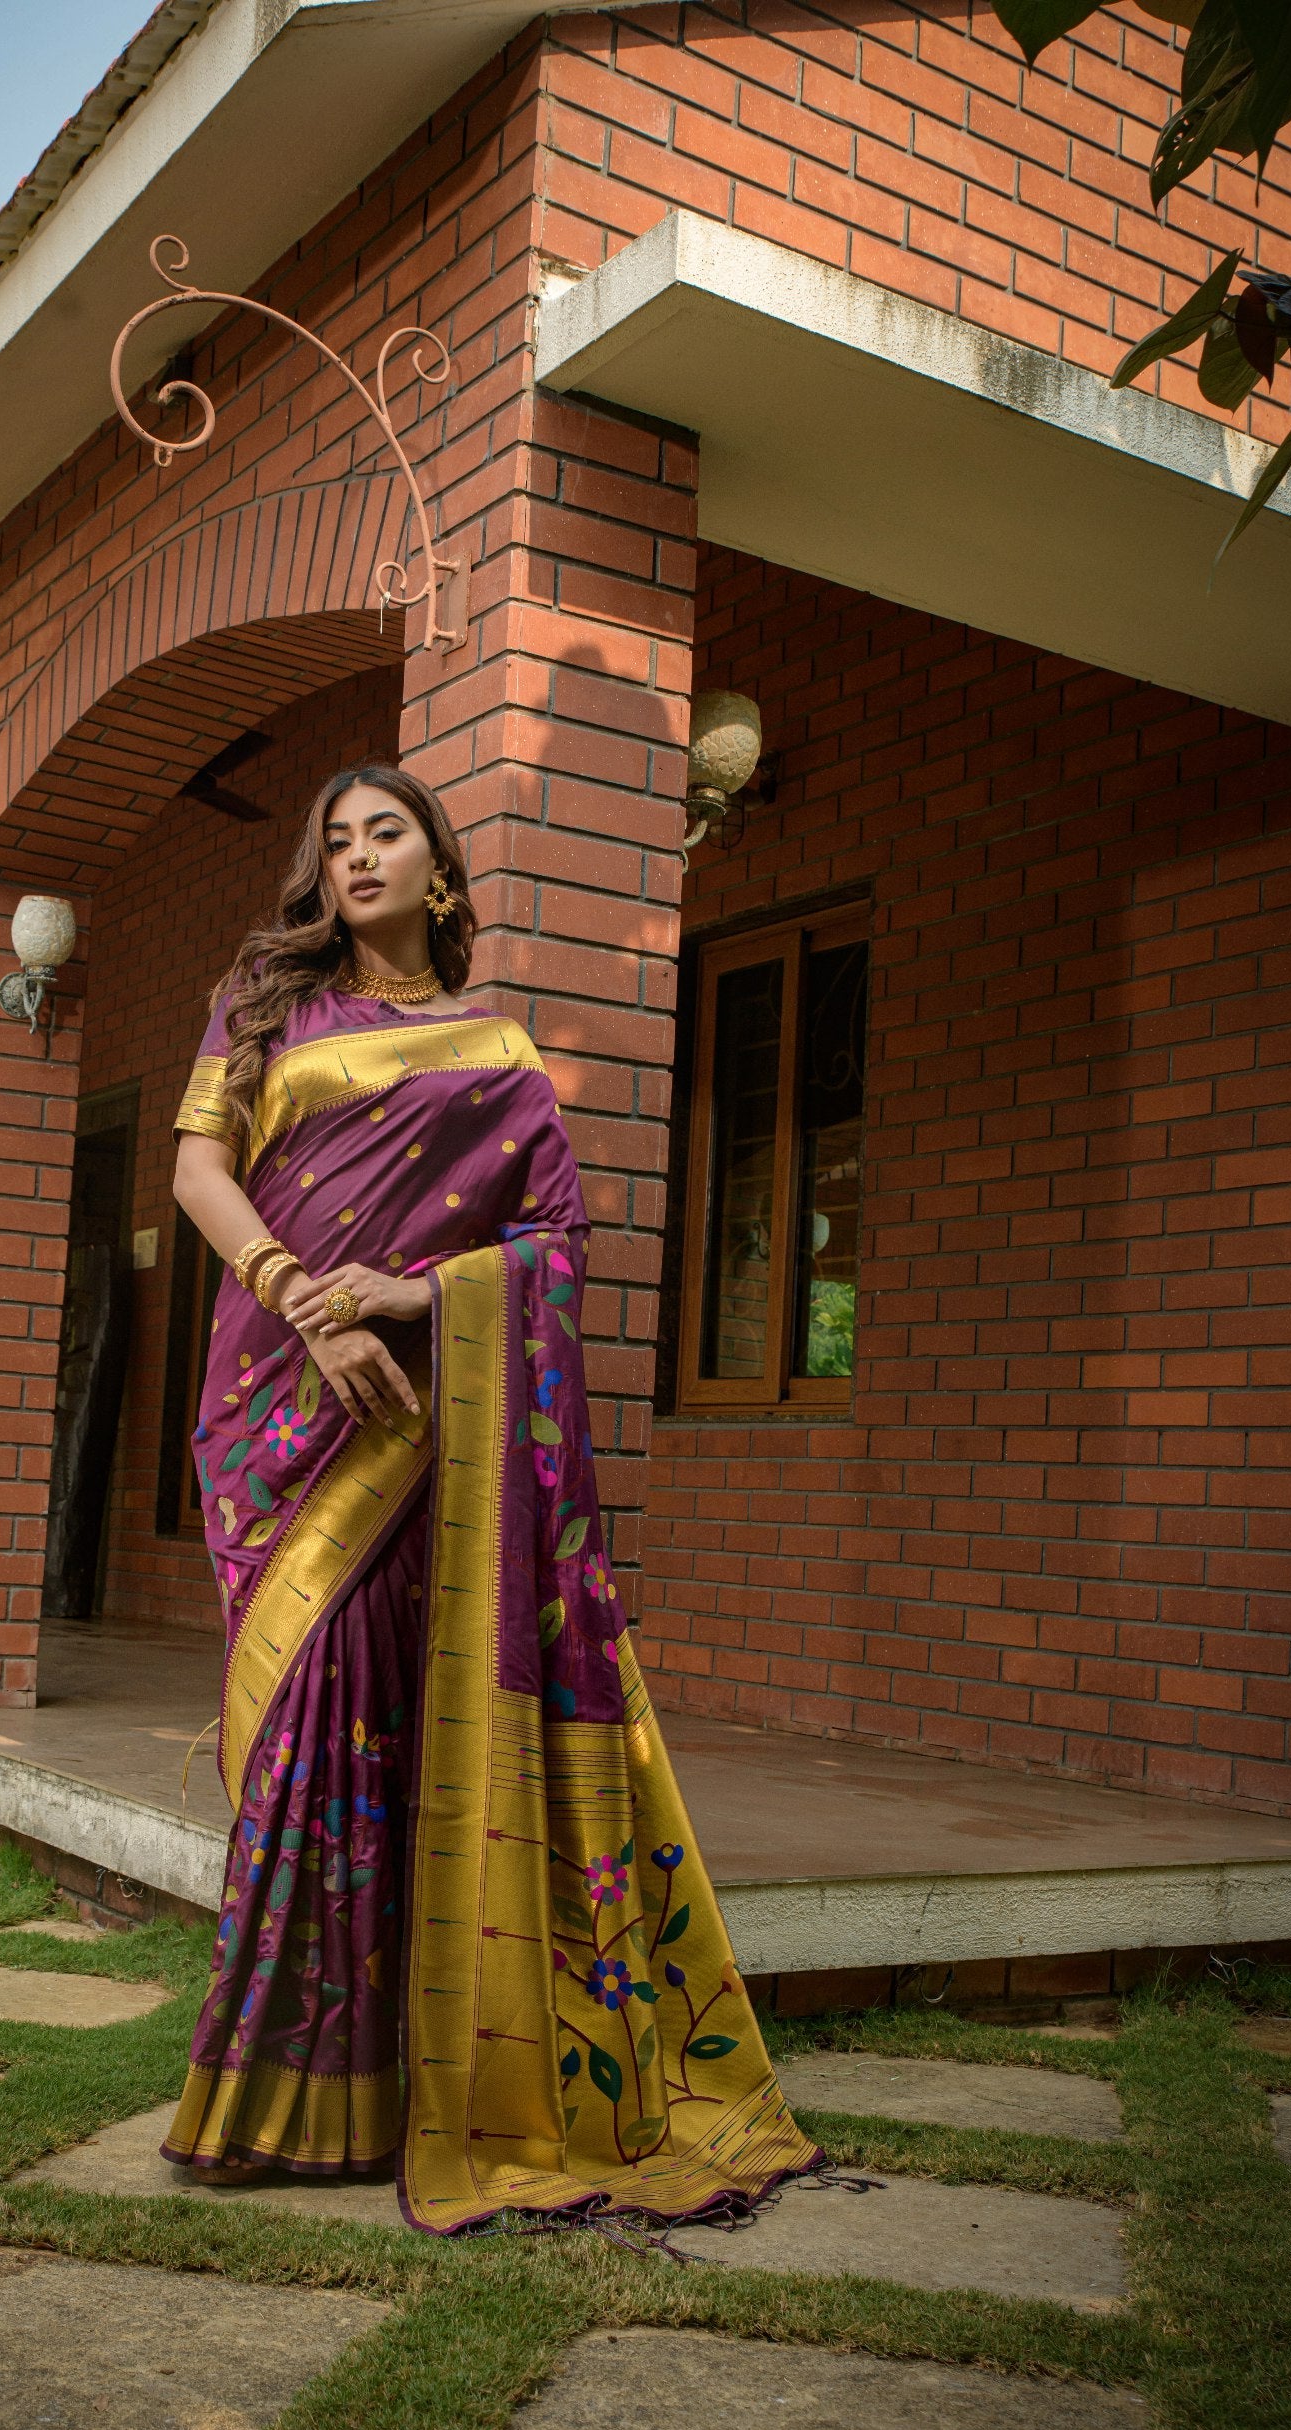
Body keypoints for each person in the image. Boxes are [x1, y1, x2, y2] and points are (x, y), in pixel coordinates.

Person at [162, 761, 819, 2233]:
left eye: (383, 831)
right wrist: (302, 1304)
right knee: (302, 1720)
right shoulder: (268, 1007)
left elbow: (559, 1246)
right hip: (277, 1404)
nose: (354, 858)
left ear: (440, 865)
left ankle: (391, 2078)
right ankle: (285, 2078)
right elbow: (202, 1170)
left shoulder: (498, 1048)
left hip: (418, 1411)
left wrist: (403, 1297)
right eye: (331, 841)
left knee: (401, 1718)